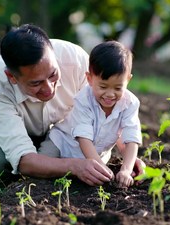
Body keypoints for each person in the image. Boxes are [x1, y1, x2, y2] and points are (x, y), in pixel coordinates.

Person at [0, 24, 144, 186]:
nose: (49, 88)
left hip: (60, 127)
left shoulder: (75, 59)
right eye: (36, 83)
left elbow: (105, 111)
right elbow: (23, 158)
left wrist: (126, 155)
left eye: (52, 75)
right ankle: (42, 160)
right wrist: (74, 166)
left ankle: (45, 158)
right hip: (7, 124)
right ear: (12, 77)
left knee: (59, 153)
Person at [39, 41, 144, 188]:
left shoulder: (130, 103)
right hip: (63, 143)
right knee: (43, 166)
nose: (110, 94)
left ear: (128, 80)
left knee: (92, 179)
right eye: (103, 86)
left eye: (118, 88)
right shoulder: (84, 99)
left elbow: (131, 138)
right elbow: (84, 139)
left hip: (96, 154)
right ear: (89, 78)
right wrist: (101, 168)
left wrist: (126, 169)